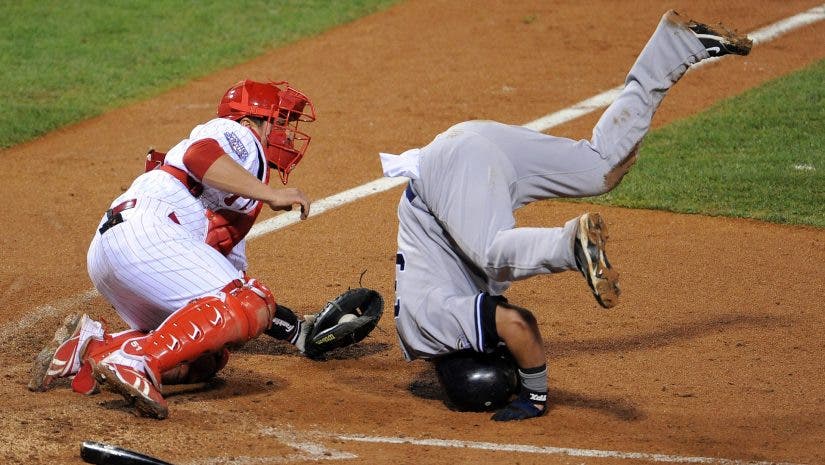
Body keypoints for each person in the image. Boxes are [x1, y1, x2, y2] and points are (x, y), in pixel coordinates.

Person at [380, 11, 752, 421]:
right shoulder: (431, 326)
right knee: (601, 166)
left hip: (451, 173)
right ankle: (674, 46)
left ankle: (568, 243)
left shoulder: (433, 331)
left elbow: (519, 324)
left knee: (492, 252)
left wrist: (534, 396)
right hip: (472, 148)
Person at [29, 80, 325, 419]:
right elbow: (199, 155)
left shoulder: (235, 197)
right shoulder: (238, 135)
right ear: (249, 122)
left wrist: (296, 329)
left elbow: (230, 297)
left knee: (207, 357)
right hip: (146, 234)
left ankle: (90, 348)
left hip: (116, 249)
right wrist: (270, 194)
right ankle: (136, 360)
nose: (285, 136)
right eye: (279, 122)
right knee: (251, 299)